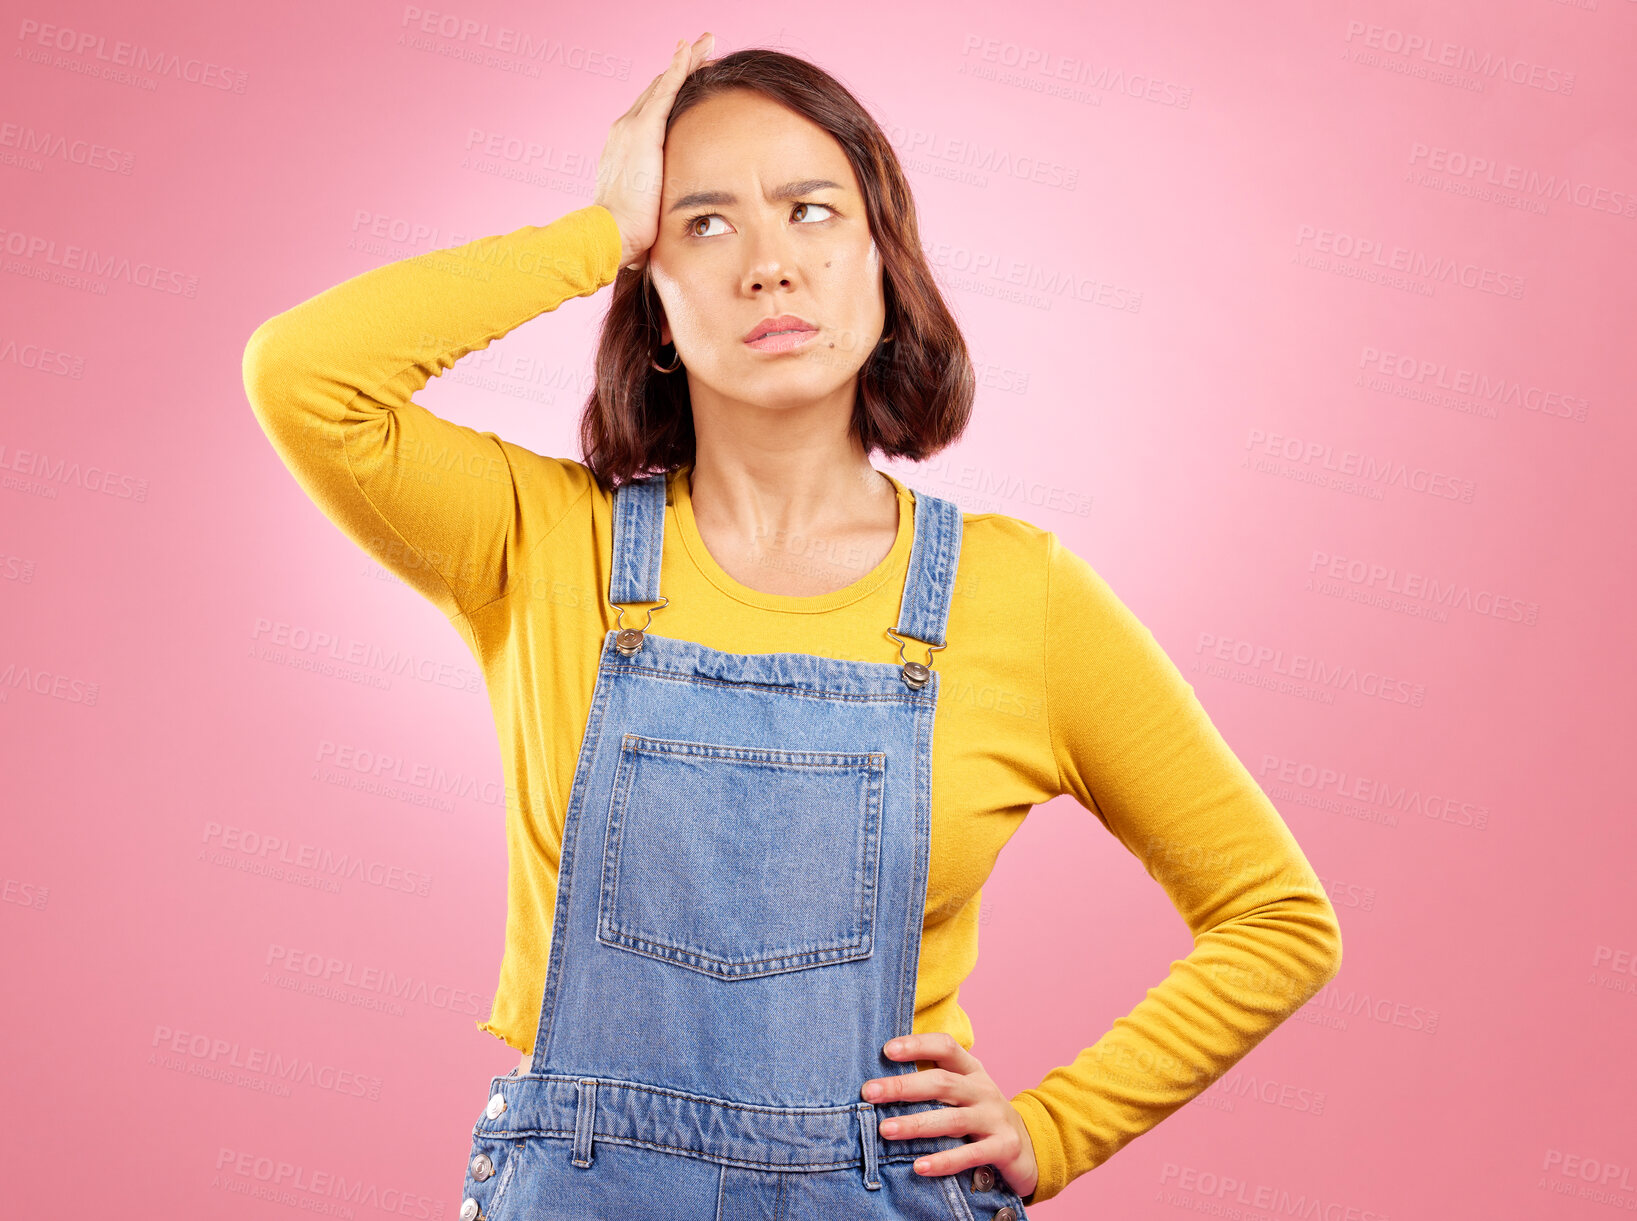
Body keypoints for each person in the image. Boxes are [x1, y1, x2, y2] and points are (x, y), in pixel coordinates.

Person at [242, 34, 1343, 1218]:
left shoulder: (1016, 597)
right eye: (702, 226)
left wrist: (1057, 1128)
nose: (767, 265)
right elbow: (303, 374)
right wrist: (596, 232)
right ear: (652, 305)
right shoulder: (536, 546)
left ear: (881, 264)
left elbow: (1276, 920)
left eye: (810, 212)